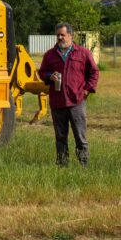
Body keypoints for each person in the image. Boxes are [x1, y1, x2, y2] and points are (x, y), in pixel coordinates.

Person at [37, 22, 99, 167]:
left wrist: (87, 89)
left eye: (62, 35)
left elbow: (94, 72)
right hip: (57, 102)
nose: (59, 38)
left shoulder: (83, 53)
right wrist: (48, 76)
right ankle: (62, 165)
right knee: (60, 137)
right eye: (57, 35)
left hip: (76, 101)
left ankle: (84, 165)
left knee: (80, 136)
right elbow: (41, 72)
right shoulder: (50, 55)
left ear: (71, 36)